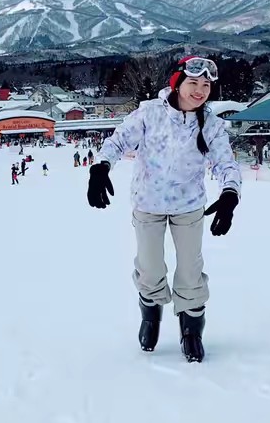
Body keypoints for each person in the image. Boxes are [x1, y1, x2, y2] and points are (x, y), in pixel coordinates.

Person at [87, 56, 241, 363]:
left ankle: (191, 329)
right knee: (150, 267)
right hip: (149, 203)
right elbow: (118, 142)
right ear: (177, 83)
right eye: (193, 82)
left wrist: (229, 194)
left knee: (190, 270)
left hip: (188, 206)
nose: (200, 90)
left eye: (206, 85)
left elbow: (226, 162)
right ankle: (151, 315)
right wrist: (100, 167)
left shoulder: (211, 124)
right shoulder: (150, 114)